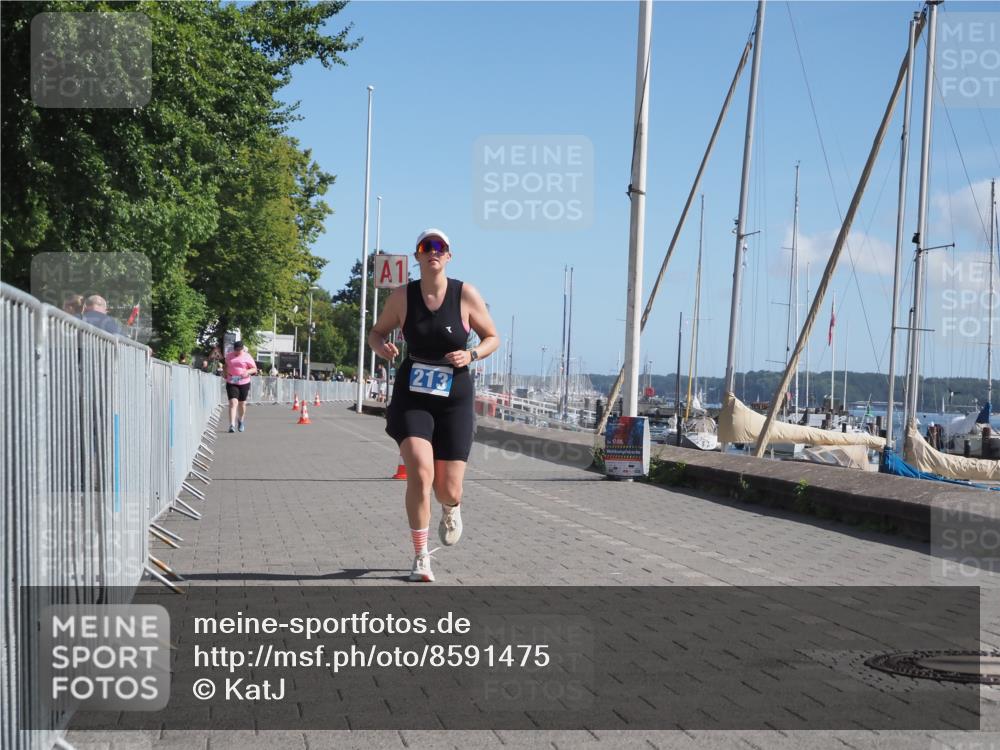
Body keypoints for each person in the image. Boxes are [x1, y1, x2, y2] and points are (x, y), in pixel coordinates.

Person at [368, 228, 499, 583]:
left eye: (440, 247)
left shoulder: (465, 294)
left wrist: (471, 353)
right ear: (418, 256)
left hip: (454, 395)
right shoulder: (402, 297)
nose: (433, 252)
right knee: (421, 473)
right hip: (413, 394)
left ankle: (451, 508)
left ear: (449, 256)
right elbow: (376, 332)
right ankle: (421, 556)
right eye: (427, 247)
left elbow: (492, 337)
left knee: (448, 488)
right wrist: (380, 347)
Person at [224, 341, 257, 432]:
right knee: (233, 402)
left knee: (242, 404)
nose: (237, 351)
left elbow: (254, 369)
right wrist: (225, 373)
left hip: (244, 381)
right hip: (232, 381)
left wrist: (247, 372)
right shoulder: (229, 356)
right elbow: (226, 365)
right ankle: (232, 425)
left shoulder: (247, 356)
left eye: (239, 350)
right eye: (236, 350)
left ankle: (241, 420)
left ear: (242, 349)